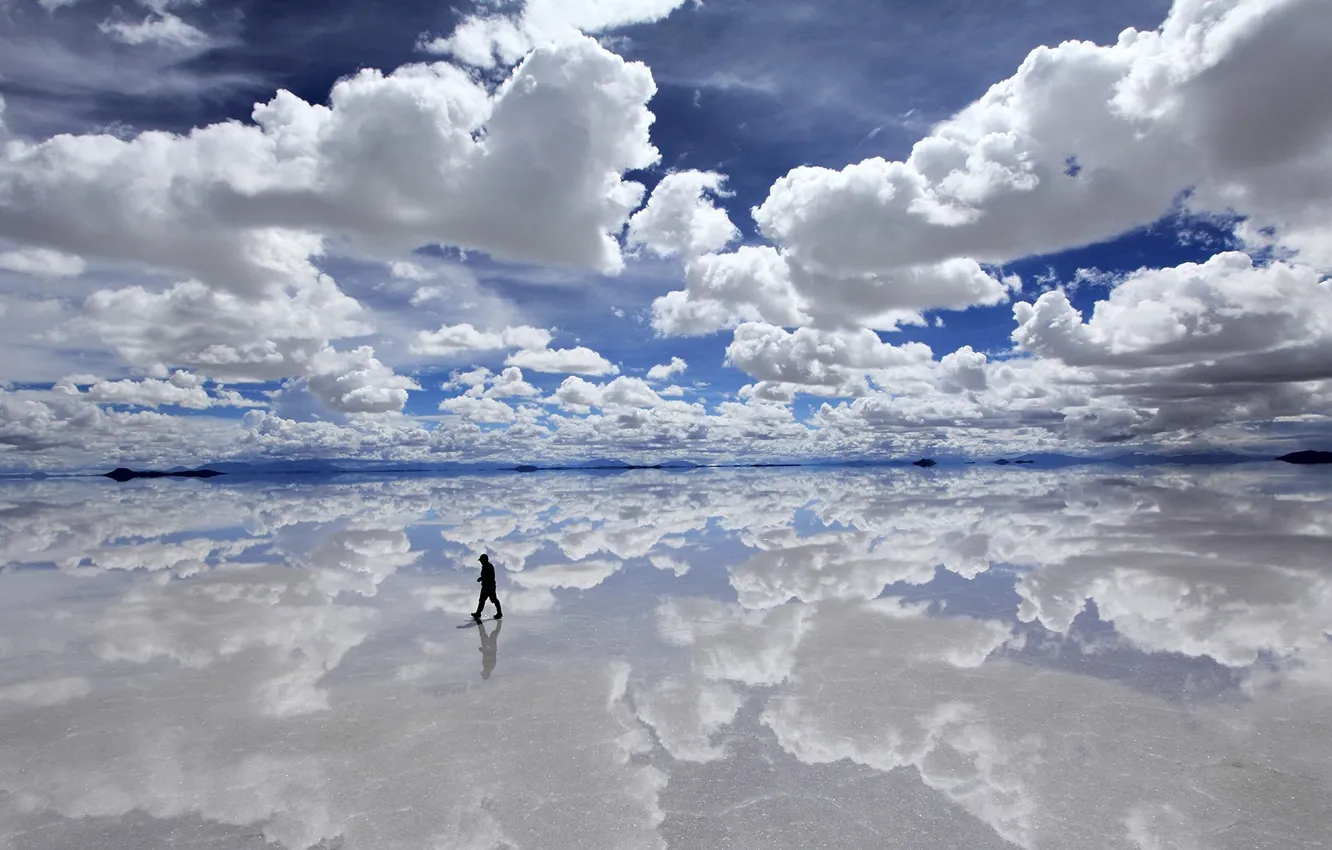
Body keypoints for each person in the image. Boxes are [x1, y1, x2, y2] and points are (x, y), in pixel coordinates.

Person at [473, 553, 503, 621]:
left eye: (481, 560)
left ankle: (499, 613)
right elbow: (485, 576)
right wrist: (481, 578)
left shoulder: (488, 566)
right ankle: (478, 613)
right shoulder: (485, 566)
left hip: (489, 586)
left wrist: (481, 578)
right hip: (486, 586)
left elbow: (488, 577)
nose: (480, 562)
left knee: (494, 599)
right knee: (482, 600)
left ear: (485, 560)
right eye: (480, 560)